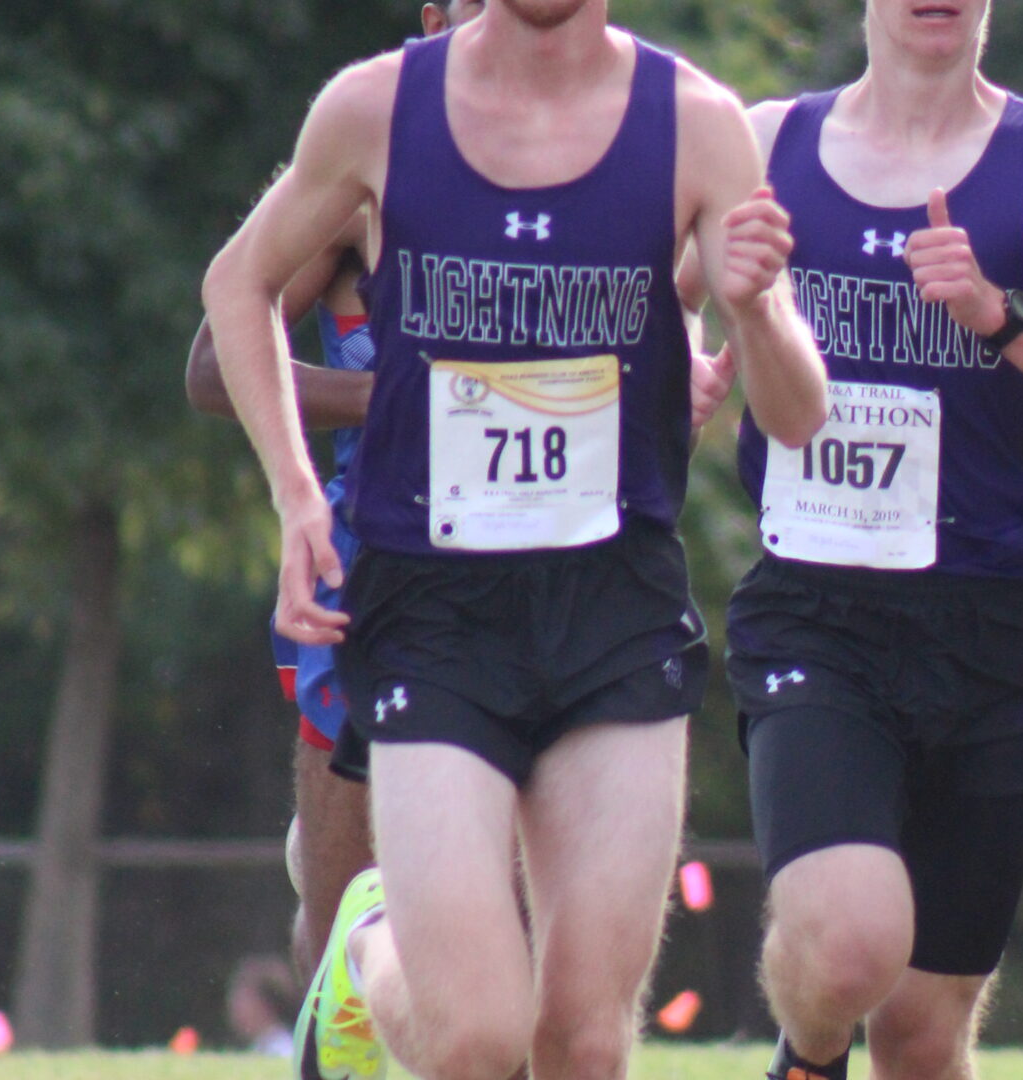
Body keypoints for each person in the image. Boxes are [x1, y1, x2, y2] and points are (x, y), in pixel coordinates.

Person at [199, 1, 827, 1077]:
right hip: (434, 609)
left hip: (614, 607)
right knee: (481, 1037)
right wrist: (299, 498)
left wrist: (759, 312)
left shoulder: (695, 122)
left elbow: (799, 414)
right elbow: (237, 285)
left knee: (583, 1038)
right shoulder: (377, 108)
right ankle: (367, 948)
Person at [712, 2, 1023, 1077]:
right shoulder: (762, 141)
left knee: (924, 1035)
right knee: (845, 949)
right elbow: (639, 313)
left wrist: (1000, 317)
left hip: (987, 623)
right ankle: (809, 1053)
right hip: (814, 610)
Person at [185, 1, 487, 991]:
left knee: (512, 924)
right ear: (438, 15)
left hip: (546, 567)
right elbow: (210, 368)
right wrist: (394, 396)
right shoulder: (372, 155)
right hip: (370, 568)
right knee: (343, 920)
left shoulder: (606, 145)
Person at [228, 954, 302, 1058]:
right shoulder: (260, 1047)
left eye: (241, 1001)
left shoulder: (281, 1050)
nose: (234, 1010)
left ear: (263, 1005)